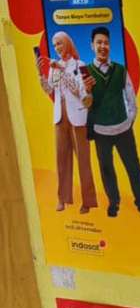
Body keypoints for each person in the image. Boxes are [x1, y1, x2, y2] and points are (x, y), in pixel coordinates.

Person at [84, 26, 140, 220]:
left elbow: (131, 98)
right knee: (107, 170)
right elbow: (83, 103)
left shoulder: (121, 70)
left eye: (106, 43)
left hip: (123, 129)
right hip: (101, 131)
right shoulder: (85, 73)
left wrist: (129, 120)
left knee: (134, 168)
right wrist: (87, 92)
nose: (102, 46)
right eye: (99, 42)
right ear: (92, 46)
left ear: (110, 46)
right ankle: (113, 203)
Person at [37, 31, 97, 214]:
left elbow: (82, 92)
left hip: (78, 117)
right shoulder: (53, 67)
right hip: (60, 116)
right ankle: (62, 199)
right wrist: (40, 74)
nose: (57, 48)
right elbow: (50, 90)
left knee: (83, 161)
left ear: (68, 44)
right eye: (55, 45)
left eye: (60, 43)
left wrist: (63, 70)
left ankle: (88, 201)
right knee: (61, 159)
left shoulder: (80, 65)